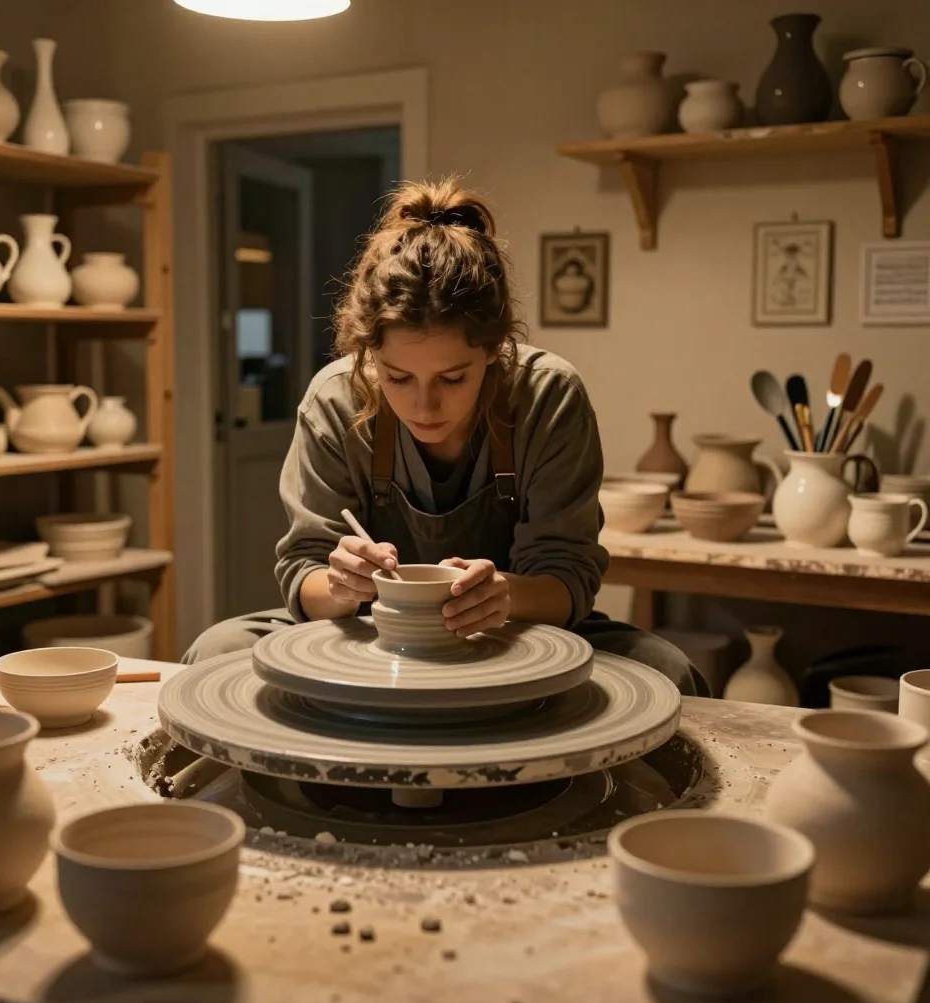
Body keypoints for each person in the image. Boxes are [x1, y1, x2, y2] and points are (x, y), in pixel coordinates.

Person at [184, 177, 706, 697]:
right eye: (397, 377)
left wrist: (505, 593)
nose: (423, 406)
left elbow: (567, 578)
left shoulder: (547, 396)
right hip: (370, 634)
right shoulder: (337, 398)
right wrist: (340, 585)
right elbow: (305, 572)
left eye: (453, 378)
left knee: (666, 672)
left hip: (516, 632)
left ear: (495, 350)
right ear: (370, 355)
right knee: (215, 654)